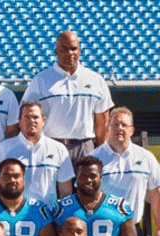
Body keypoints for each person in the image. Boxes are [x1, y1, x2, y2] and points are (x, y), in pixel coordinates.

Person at [21, 31, 112, 159]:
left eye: (73, 49)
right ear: (56, 51)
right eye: (64, 49)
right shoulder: (40, 80)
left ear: (79, 51)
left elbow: (102, 121)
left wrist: (102, 150)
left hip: (85, 147)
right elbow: (26, 116)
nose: (70, 53)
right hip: (51, 145)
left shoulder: (95, 80)